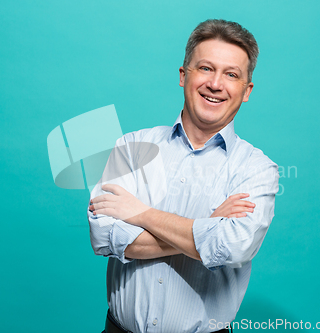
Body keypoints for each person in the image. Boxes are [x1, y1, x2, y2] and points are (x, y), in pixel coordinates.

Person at [88, 19, 279, 333]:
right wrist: (208, 225)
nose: (215, 84)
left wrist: (141, 214)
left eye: (231, 74)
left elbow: (231, 247)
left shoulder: (258, 170)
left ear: (246, 91)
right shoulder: (131, 146)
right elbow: (106, 237)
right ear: (183, 75)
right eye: (205, 68)